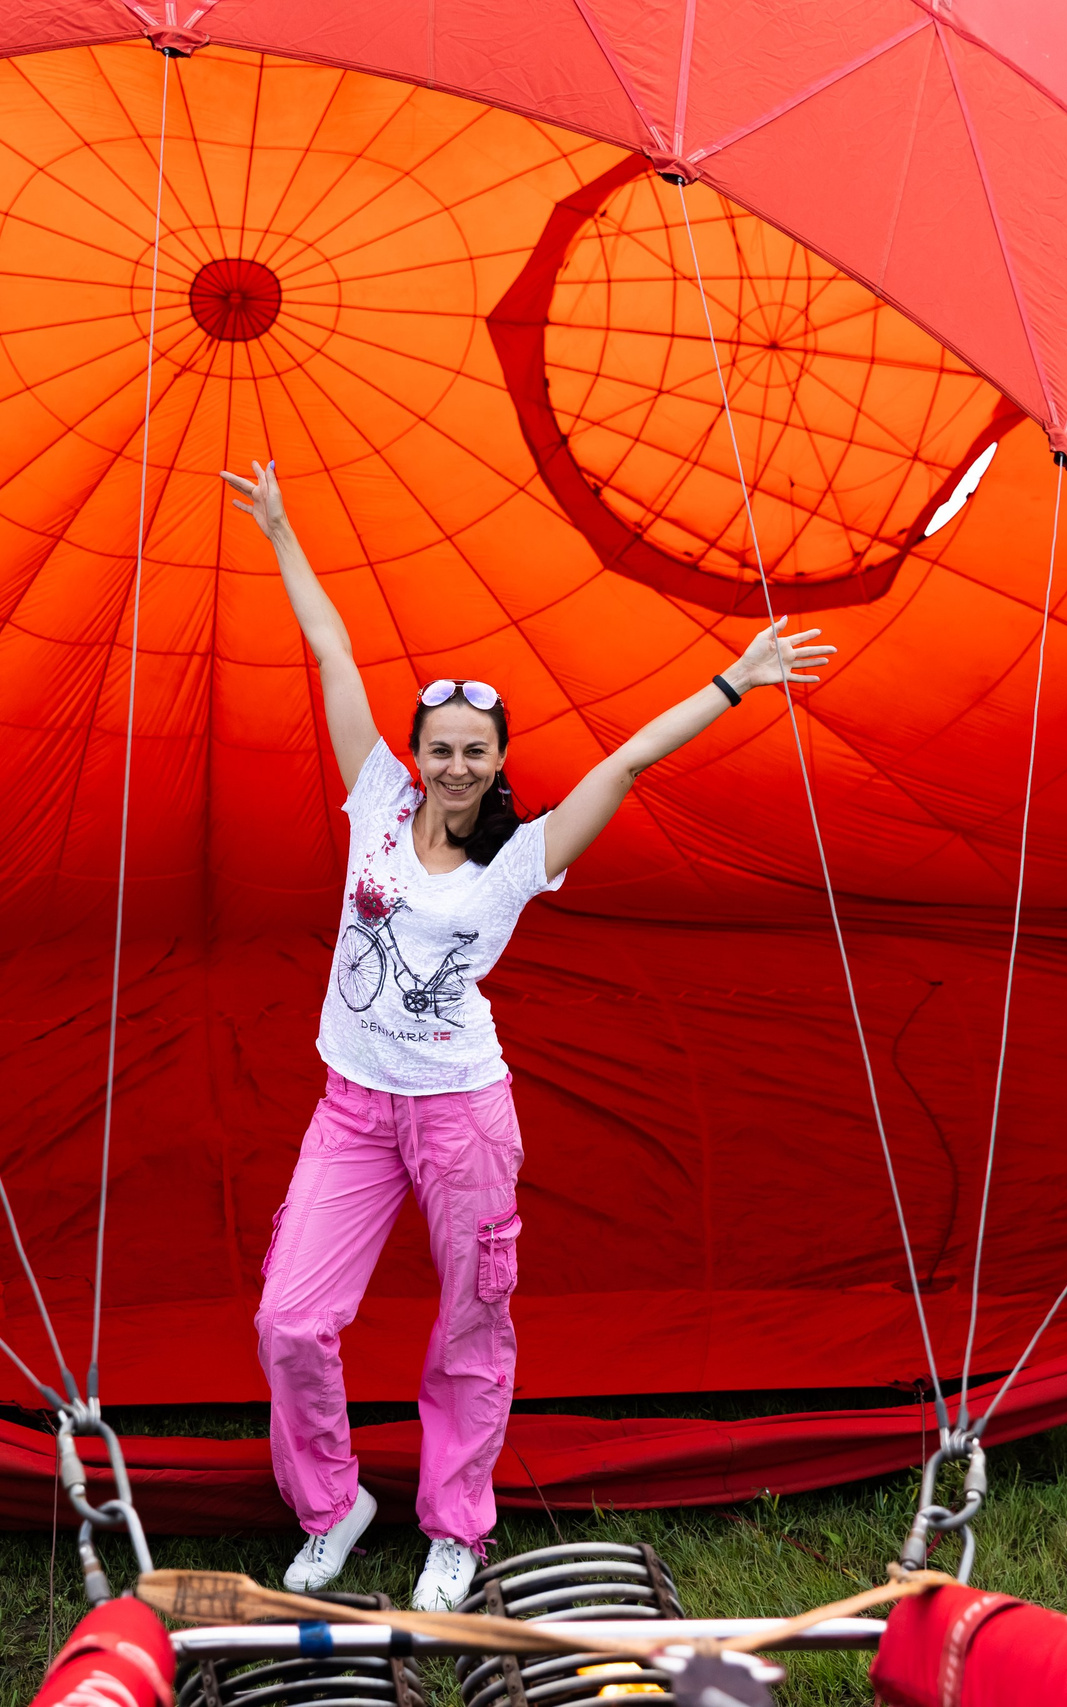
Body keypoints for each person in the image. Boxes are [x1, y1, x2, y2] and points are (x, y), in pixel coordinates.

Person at [220, 460, 834, 1609]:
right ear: (414, 752)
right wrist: (282, 532)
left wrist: (736, 681)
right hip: (352, 1104)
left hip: (459, 1115)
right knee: (289, 1321)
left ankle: (457, 1529)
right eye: (437, 745)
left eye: (473, 749)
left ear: (498, 761)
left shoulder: (521, 856)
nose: (453, 763)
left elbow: (631, 761)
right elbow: (333, 651)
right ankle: (333, 1504)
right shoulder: (374, 802)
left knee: (469, 1326)